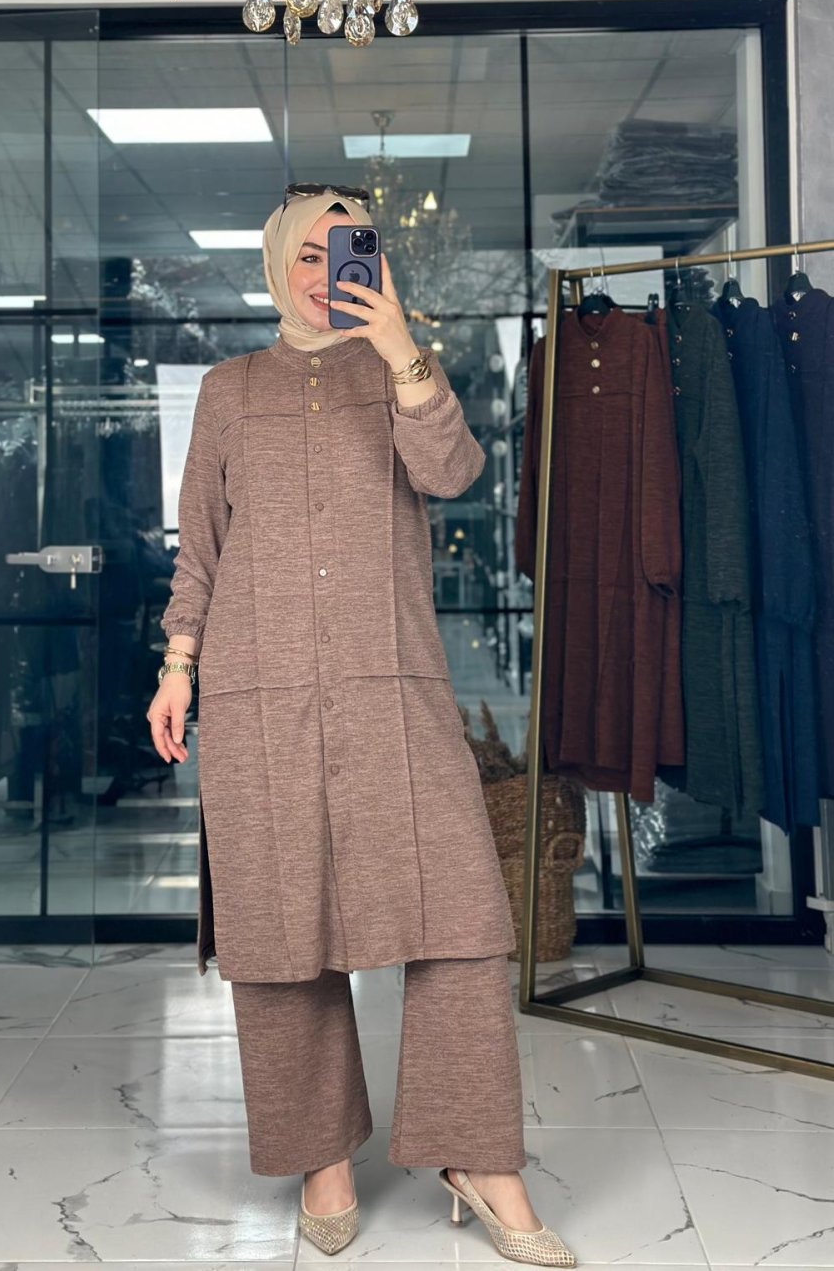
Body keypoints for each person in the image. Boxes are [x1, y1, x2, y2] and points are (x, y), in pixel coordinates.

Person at [147, 184, 575, 1267]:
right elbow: (201, 546)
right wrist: (178, 665)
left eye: (344, 248)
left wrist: (399, 347)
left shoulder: (399, 371)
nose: (323, 271)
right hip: (259, 697)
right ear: (277, 265)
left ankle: (480, 1158)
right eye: (307, 252)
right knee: (281, 935)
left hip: (395, 695)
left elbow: (455, 472)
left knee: (461, 920)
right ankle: (322, 1158)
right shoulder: (229, 390)